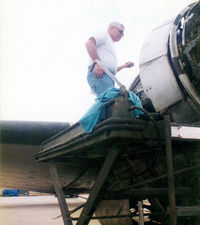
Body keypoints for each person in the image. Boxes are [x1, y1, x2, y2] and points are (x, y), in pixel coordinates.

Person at [85, 21, 134, 96]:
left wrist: (124, 66)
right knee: (110, 101)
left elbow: (109, 70)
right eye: (120, 31)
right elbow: (89, 43)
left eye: (123, 33)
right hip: (100, 75)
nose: (122, 35)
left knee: (110, 102)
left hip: (107, 77)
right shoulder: (104, 35)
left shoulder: (109, 43)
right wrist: (98, 63)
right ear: (111, 28)